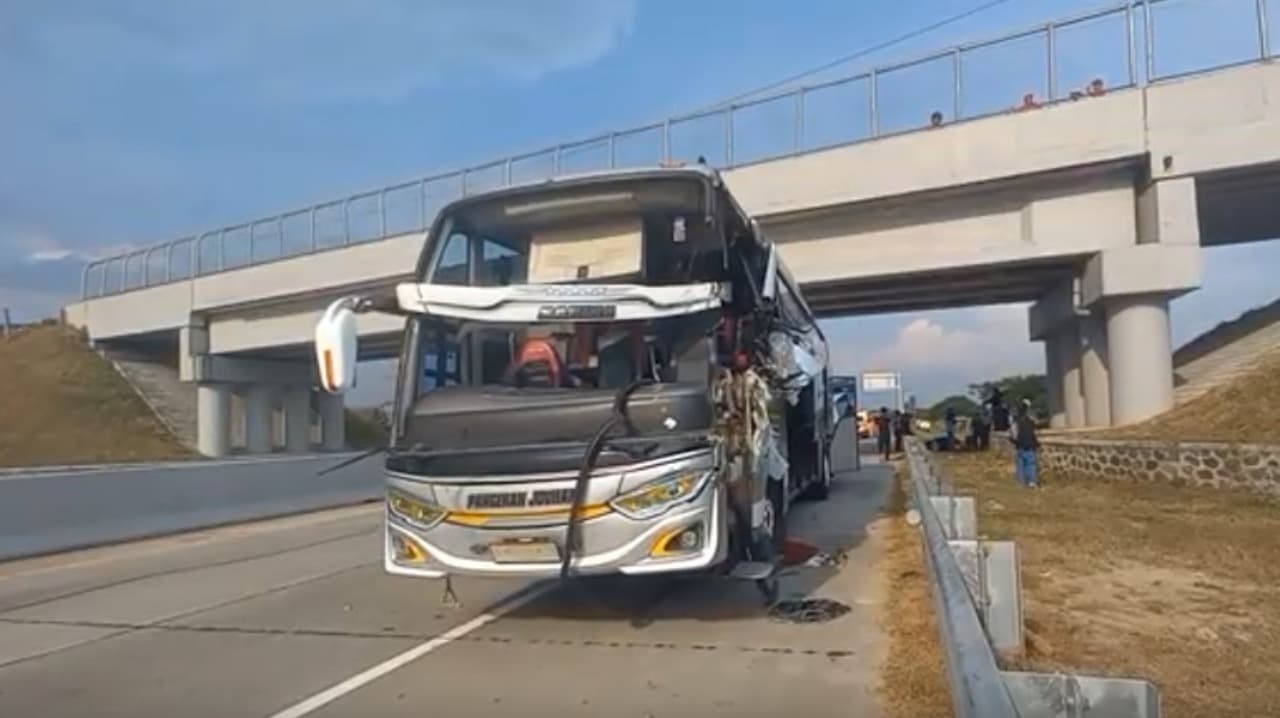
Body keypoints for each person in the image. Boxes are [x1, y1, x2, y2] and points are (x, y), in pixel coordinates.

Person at [1008, 398, 1041, 488]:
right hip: (1030, 445)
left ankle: (1021, 483)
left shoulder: (1015, 422)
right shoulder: (1030, 421)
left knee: (1021, 464)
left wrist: (1015, 442)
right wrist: (1036, 443)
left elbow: (1012, 436)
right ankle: (1032, 481)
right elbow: (1034, 433)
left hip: (1020, 446)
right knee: (1031, 464)